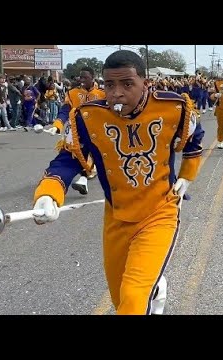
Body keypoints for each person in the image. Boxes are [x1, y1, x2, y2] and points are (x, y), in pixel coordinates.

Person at [32, 50, 205, 315]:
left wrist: (187, 175)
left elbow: (195, 136)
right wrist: (49, 193)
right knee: (119, 298)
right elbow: (69, 158)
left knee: (133, 300)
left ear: (145, 83)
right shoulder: (88, 116)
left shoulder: (174, 107)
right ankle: (155, 289)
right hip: (117, 216)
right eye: (109, 85)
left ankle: (149, 289)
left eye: (127, 84)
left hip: (160, 211)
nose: (117, 93)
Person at [46, 66, 106, 195]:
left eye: (85, 77)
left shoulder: (102, 93)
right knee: (74, 153)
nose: (82, 80)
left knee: (93, 153)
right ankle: (80, 178)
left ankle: (84, 178)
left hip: (98, 130)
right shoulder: (72, 93)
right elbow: (65, 110)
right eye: (81, 77)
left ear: (93, 78)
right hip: (77, 130)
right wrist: (57, 126)